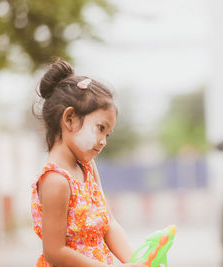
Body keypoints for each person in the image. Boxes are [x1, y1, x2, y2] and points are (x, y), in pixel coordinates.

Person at [30, 59, 145, 267]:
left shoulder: (87, 167)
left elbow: (108, 222)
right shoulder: (55, 181)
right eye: (100, 128)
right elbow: (54, 252)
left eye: (108, 134)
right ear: (70, 118)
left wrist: (138, 262)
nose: (103, 141)